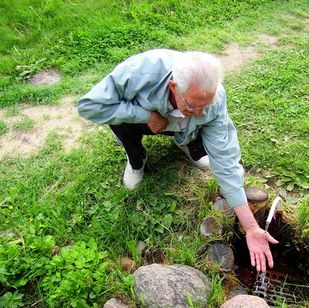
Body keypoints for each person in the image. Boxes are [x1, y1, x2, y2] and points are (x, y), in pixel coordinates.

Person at [77, 49, 278, 272]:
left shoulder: (212, 99)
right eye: (194, 104)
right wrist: (145, 116)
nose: (202, 112)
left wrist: (250, 227)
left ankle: (187, 144)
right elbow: (90, 106)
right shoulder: (140, 73)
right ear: (174, 87)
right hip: (148, 119)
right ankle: (137, 159)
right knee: (120, 120)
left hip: (181, 124)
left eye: (206, 105)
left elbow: (225, 160)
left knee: (202, 123)